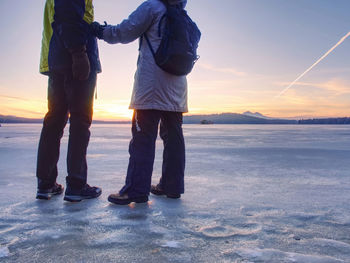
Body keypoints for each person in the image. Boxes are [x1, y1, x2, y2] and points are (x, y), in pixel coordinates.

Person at [92, 0, 189, 205]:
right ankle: (171, 187)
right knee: (173, 137)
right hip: (177, 88)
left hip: (151, 86)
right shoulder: (182, 15)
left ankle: (135, 190)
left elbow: (124, 32)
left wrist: (101, 31)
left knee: (142, 138)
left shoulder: (152, 7)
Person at [36, 0, 102, 202]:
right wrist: (79, 53)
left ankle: (46, 184)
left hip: (57, 60)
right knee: (80, 121)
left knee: (54, 121)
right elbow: (67, 16)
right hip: (74, 61)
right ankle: (76, 184)